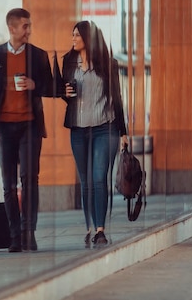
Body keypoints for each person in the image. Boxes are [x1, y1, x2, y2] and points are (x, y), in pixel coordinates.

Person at [58, 20, 128, 248]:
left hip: (104, 128)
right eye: (73, 35)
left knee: (99, 179)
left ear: (88, 38)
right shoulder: (68, 62)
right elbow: (63, 92)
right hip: (78, 130)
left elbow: (117, 99)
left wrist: (123, 132)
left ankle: (100, 230)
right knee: (86, 181)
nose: (74, 39)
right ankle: (89, 227)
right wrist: (64, 93)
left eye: (77, 35)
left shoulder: (109, 65)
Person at [0, 7, 54, 253]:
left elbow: (49, 86)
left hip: (30, 126)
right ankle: (15, 235)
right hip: (4, 127)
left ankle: (29, 232)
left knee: (29, 179)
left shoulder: (38, 56)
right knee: (8, 185)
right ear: (12, 28)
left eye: (29, 25)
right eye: (25, 26)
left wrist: (35, 84)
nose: (29, 30)